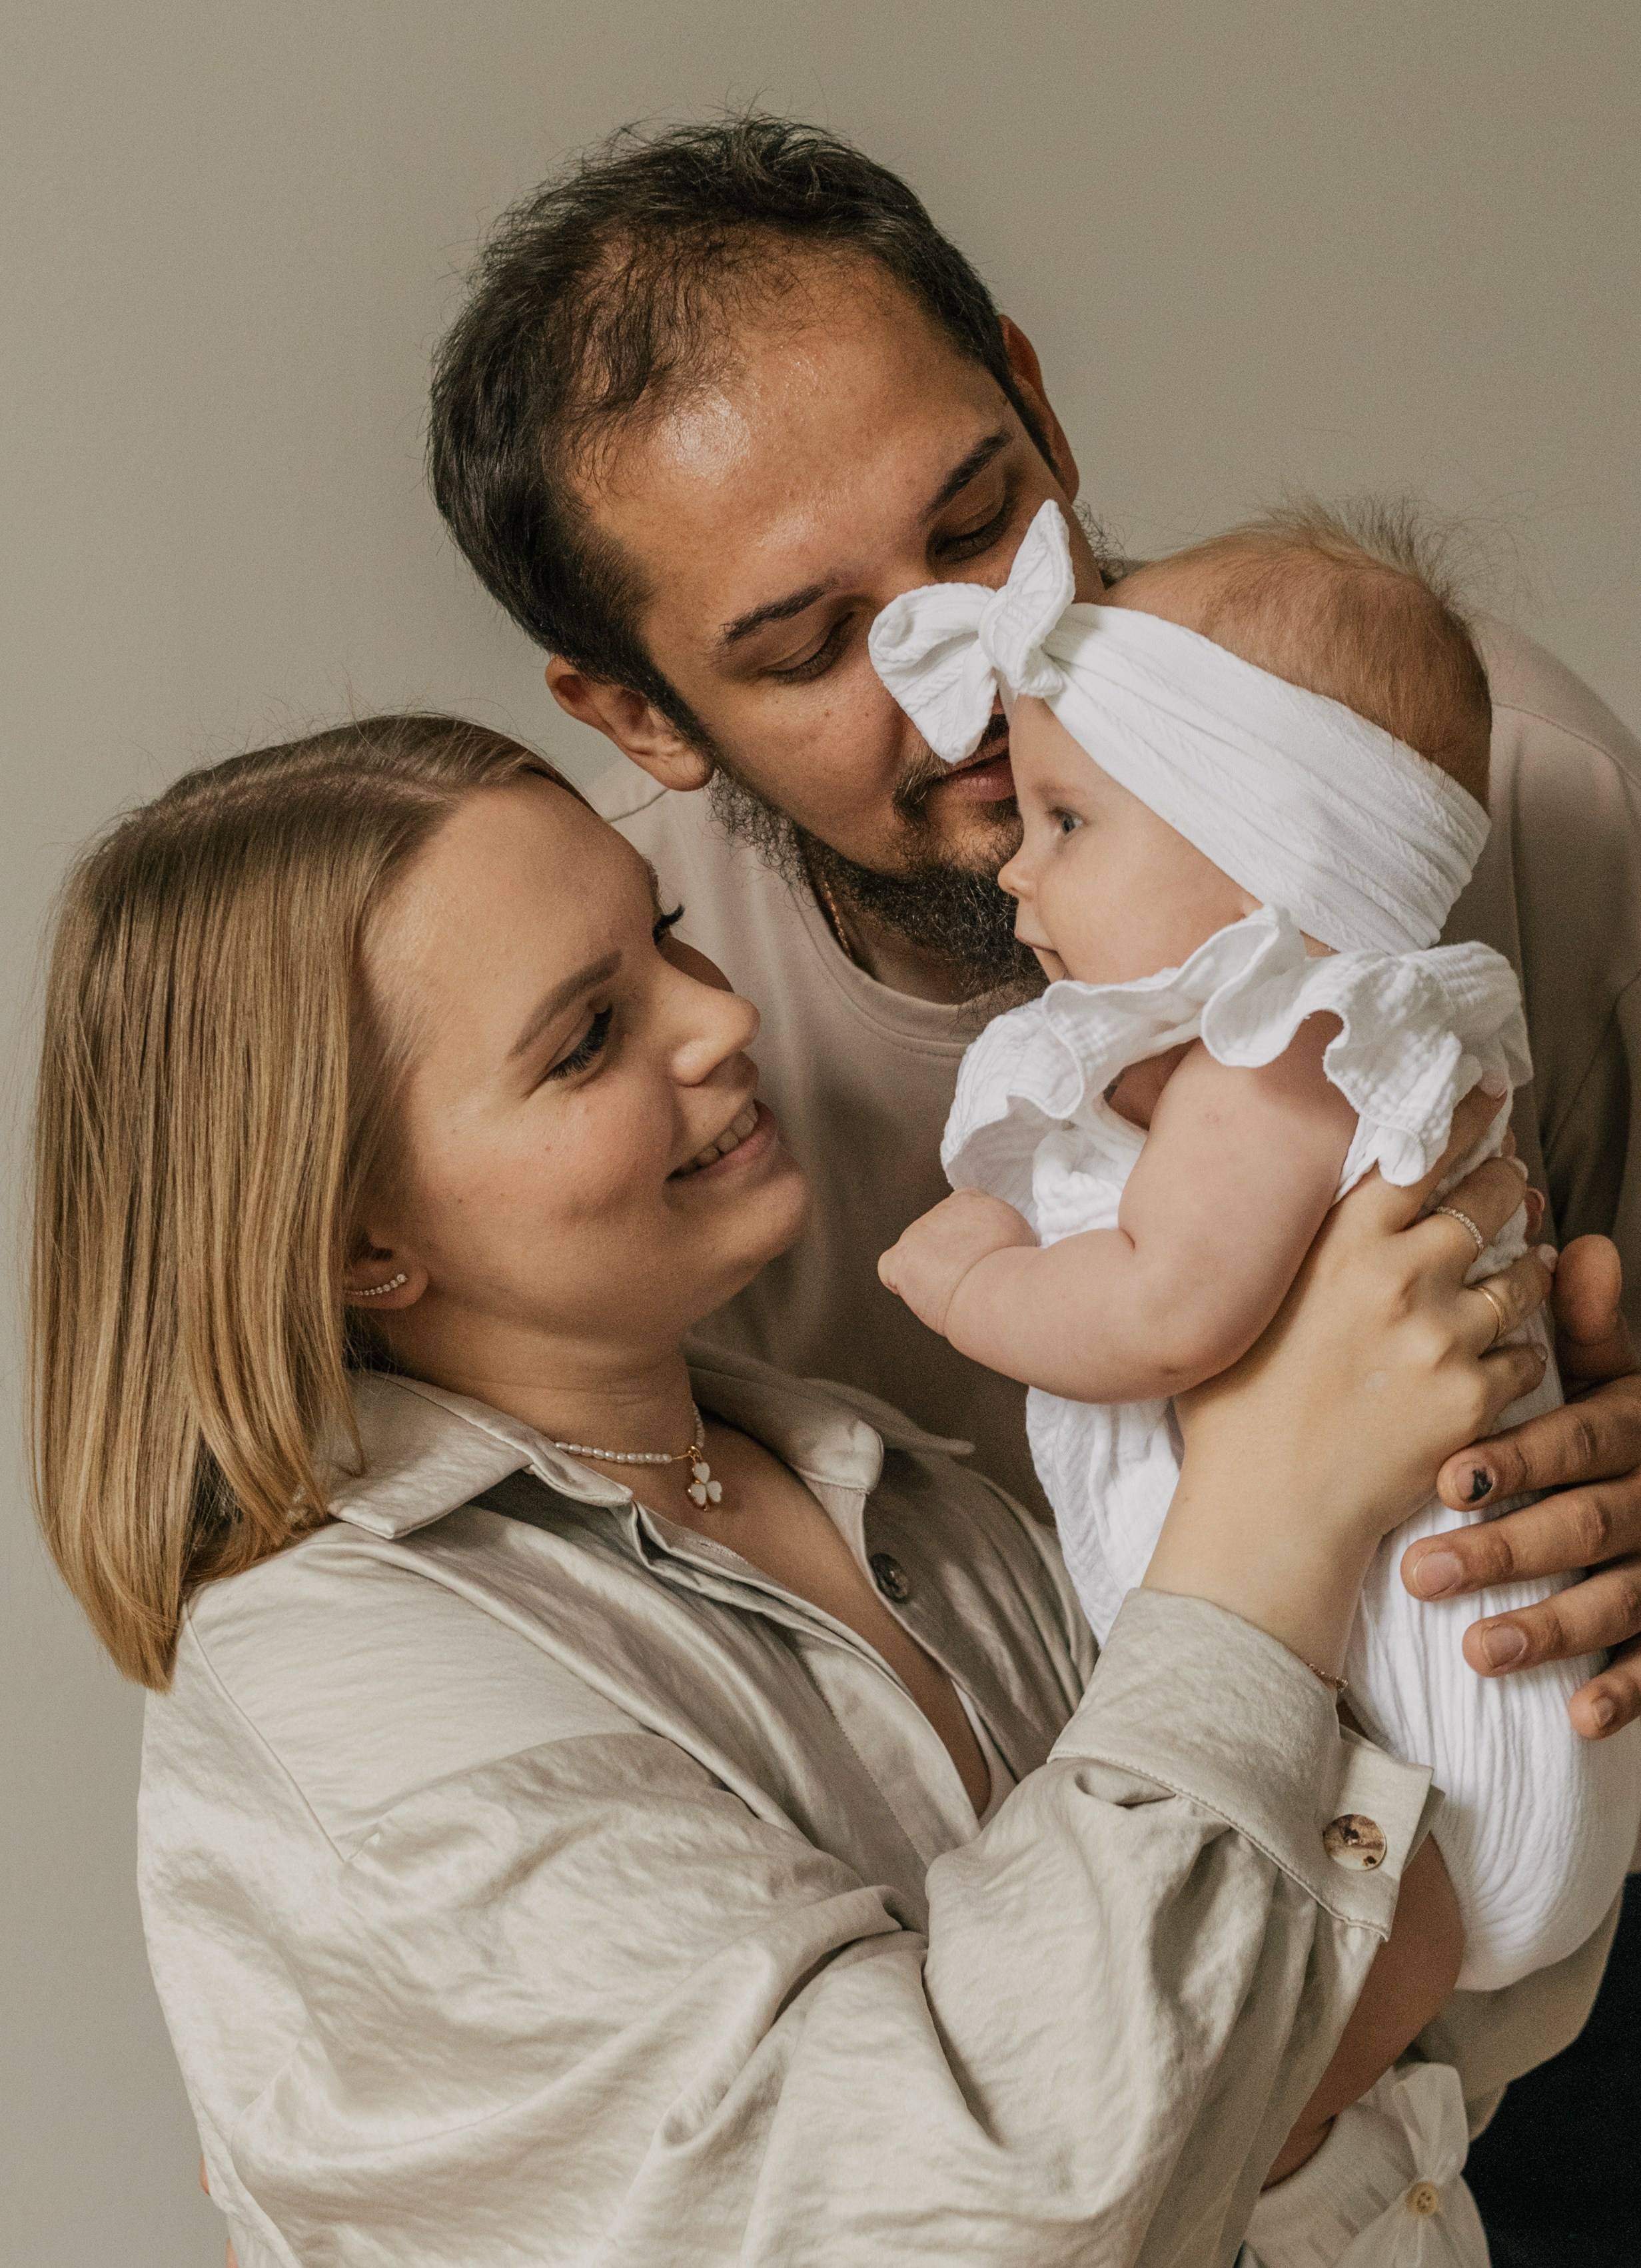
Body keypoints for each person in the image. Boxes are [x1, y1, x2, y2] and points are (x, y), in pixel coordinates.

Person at [426, 121, 1641, 2253]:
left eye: (982, 522)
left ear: (1041, 401)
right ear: (639, 709)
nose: (976, 677)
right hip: (1108, 2093)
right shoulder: (635, 1066)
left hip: (1563, 1986)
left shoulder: (1466, 796)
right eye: (805, 645)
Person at [31, 716, 1593, 2265]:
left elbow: (1422, 1985)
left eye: (665, 943)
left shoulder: (890, 1484)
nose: (716, 1021)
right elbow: (987, 2208)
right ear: (364, 1240)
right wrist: (1276, 1499)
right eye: (584, 1037)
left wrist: (1492, 1545)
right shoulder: (337, 1688)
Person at [875, 496, 1641, 2000]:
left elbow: (1167, 1311)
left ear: (1265, 861)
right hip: (1492, 1732)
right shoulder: (1322, 1048)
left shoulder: (1283, 1053)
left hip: (1438, 1731)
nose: (1014, 869)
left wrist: (971, 1281)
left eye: (1068, 823)